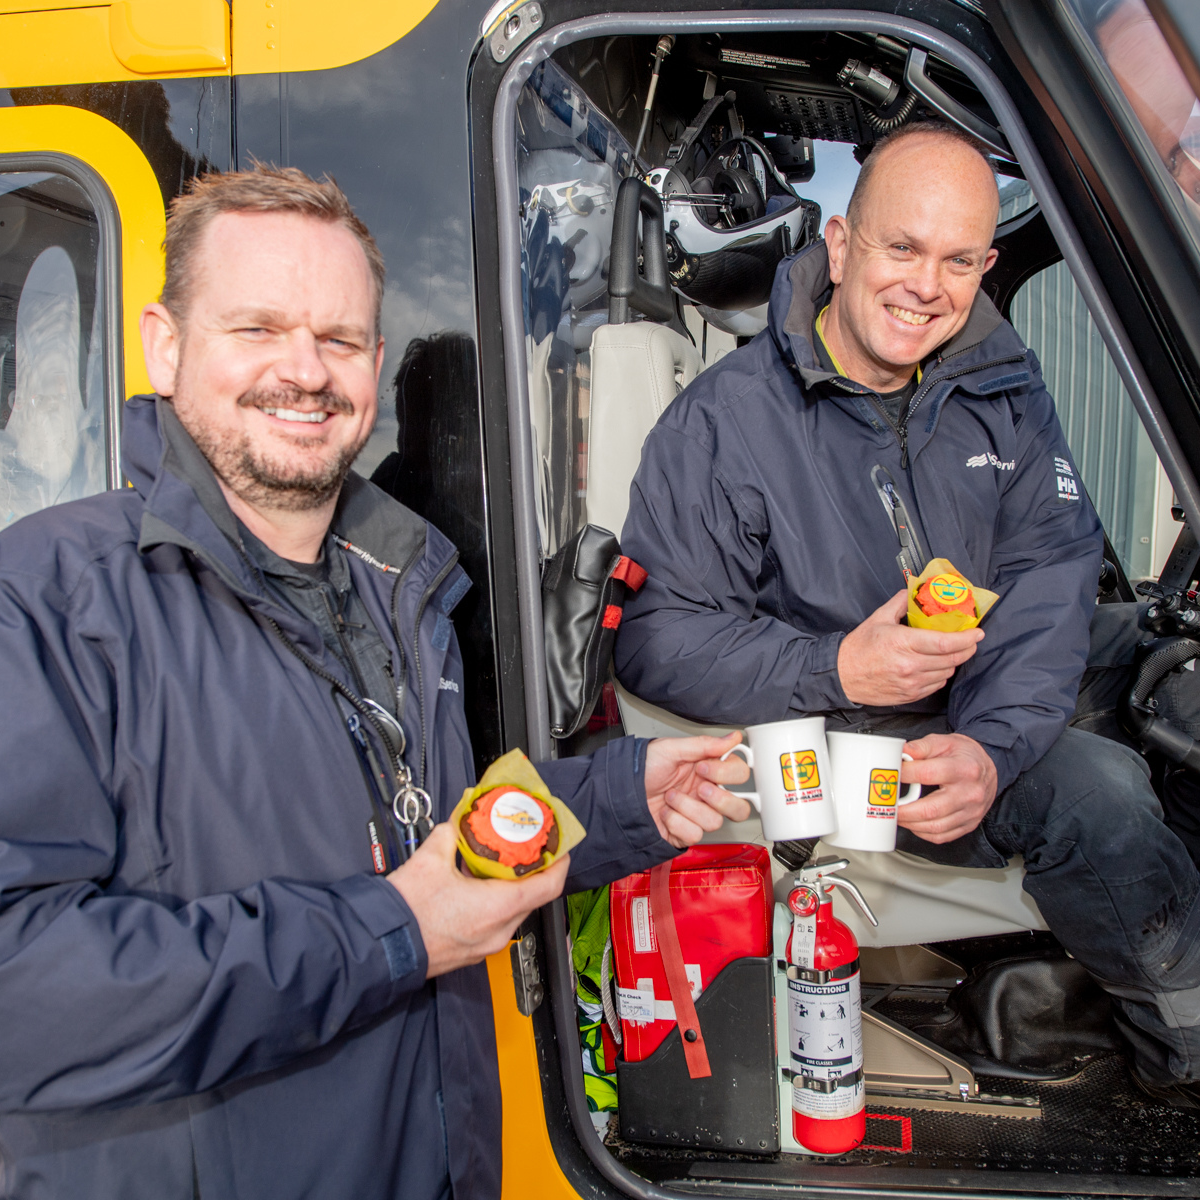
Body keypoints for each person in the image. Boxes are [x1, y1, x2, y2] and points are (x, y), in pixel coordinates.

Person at [0, 164, 752, 1199]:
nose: (305, 371)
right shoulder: (42, 598)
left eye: (339, 339)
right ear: (164, 345)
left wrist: (626, 797)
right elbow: (23, 990)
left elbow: (435, 840)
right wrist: (391, 935)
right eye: (257, 329)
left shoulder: (398, 582)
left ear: (376, 365)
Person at [615, 121, 1200, 1105]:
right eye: (901, 247)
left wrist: (993, 746)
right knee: (1096, 795)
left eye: (957, 259)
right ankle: (1185, 1056)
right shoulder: (722, 426)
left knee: (1173, 678)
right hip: (837, 739)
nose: (926, 286)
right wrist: (841, 668)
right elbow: (656, 640)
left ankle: (1155, 913)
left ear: (987, 264)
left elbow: (1050, 566)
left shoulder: (1001, 390)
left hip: (967, 700)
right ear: (840, 246)